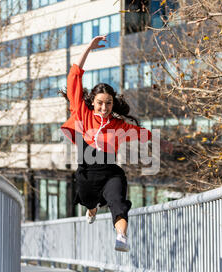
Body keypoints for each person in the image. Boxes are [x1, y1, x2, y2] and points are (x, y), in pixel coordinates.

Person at [60, 35, 173, 252]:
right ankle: (92, 209)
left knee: (118, 202)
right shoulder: (82, 114)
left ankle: (121, 236)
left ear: (113, 104)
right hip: (86, 172)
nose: (104, 108)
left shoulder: (119, 125)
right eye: (100, 103)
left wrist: (162, 143)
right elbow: (74, 76)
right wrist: (89, 48)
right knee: (88, 200)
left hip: (110, 172)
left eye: (108, 104)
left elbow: (143, 133)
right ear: (92, 102)